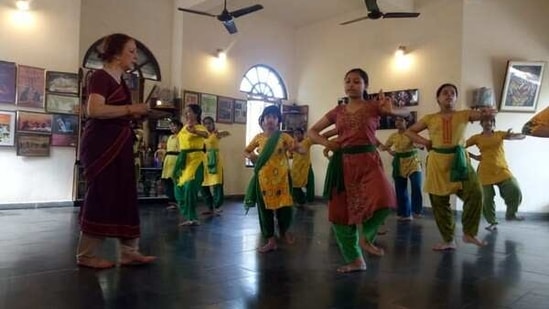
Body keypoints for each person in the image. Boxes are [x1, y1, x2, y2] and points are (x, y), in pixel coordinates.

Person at [308, 68, 407, 273]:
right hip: (342, 163)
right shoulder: (338, 111)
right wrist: (328, 142)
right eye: (347, 81)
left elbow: (407, 115)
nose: (351, 85)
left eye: (356, 81)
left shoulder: (374, 106)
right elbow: (312, 131)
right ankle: (355, 260)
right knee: (339, 214)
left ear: (365, 86)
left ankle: (366, 237)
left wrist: (392, 111)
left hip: (368, 161)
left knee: (386, 199)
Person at [77, 33, 156, 269]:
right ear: (115, 53)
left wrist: (135, 113)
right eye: (131, 51)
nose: (135, 56)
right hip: (102, 144)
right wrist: (131, 108)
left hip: (119, 142)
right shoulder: (100, 76)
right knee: (101, 193)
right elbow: (95, 110)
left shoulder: (121, 80)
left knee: (125, 192)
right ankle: (87, 254)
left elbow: (117, 111)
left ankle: (129, 251)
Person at [405, 83, 496, 251]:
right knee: (439, 203)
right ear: (438, 98)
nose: (449, 95)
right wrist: (425, 142)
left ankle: (469, 233)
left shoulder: (464, 114)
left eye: (452, 93)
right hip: (437, 162)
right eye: (445, 93)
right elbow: (409, 132)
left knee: (475, 192)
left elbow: (480, 115)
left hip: (460, 160)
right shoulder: (429, 118)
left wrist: (486, 113)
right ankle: (448, 240)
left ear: (455, 98)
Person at [244, 105, 303, 253]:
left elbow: (298, 149)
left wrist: (299, 147)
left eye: (274, 117)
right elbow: (246, 151)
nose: (271, 120)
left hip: (282, 179)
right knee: (265, 210)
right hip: (263, 179)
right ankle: (271, 240)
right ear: (263, 120)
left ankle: (284, 232)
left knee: (284, 208)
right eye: (268, 117)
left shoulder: (284, 137)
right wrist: (251, 156)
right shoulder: (258, 137)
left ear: (278, 121)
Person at [466, 117, 525, 231]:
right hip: (485, 171)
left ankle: (511, 214)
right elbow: (460, 146)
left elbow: (522, 136)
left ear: (494, 124)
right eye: (485, 121)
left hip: (501, 169)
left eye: (491, 122)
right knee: (487, 198)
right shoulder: (476, 138)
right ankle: (492, 222)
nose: (488, 123)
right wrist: (474, 157)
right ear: (481, 123)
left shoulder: (499, 134)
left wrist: (512, 136)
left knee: (514, 189)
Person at [380, 116, 423, 221]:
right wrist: (389, 150)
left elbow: (420, 144)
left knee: (416, 186)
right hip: (399, 163)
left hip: (413, 162)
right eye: (396, 120)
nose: (398, 123)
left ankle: (416, 211)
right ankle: (405, 214)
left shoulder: (411, 133)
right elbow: (384, 147)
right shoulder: (393, 136)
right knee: (400, 189)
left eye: (401, 120)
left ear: (406, 122)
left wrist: (419, 145)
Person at [174, 104, 209, 226]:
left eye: (189, 112)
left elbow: (206, 135)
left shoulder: (200, 127)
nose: (186, 114)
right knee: (179, 187)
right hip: (184, 159)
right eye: (185, 112)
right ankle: (187, 213)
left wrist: (195, 131)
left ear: (196, 114)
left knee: (190, 188)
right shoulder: (184, 128)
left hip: (196, 160)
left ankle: (192, 217)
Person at [201, 116, 230, 216]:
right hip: (205, 160)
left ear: (213, 124)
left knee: (217, 184)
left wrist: (219, 133)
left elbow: (227, 133)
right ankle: (209, 207)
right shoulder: (203, 135)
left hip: (216, 159)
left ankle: (217, 206)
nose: (207, 125)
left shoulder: (216, 134)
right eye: (205, 123)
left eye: (209, 123)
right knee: (204, 184)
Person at [289, 128, 315, 207]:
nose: (296, 135)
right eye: (295, 134)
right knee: (295, 185)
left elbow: (313, 139)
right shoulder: (292, 143)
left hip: (306, 166)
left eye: (298, 133)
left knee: (309, 184)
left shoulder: (307, 141)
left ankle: (309, 200)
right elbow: (290, 155)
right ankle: (300, 201)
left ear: (302, 134)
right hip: (296, 168)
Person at [161, 118, 183, 210]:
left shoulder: (181, 136)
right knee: (167, 180)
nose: (172, 127)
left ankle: (179, 201)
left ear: (179, 126)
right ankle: (172, 201)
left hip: (176, 159)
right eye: (170, 126)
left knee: (176, 181)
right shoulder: (170, 137)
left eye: (174, 125)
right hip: (168, 160)